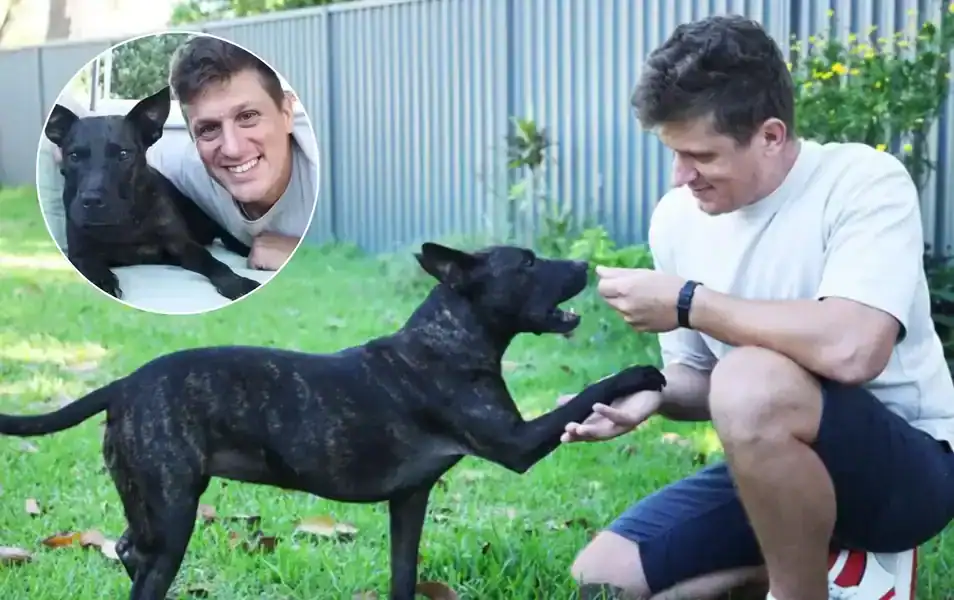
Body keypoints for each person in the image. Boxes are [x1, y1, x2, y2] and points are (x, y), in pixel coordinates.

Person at [560, 14, 954, 600]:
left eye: (701, 155)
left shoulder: (862, 182)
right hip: (778, 467)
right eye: (673, 152)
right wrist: (653, 393)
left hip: (906, 470)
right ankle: (838, 572)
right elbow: (702, 380)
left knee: (750, 376)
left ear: (770, 136)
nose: (681, 176)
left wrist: (690, 302)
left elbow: (855, 348)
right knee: (602, 578)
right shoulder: (677, 219)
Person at [149, 33, 319, 272]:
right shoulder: (187, 168)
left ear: (286, 114)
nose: (232, 149)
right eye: (208, 129)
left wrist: (302, 255)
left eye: (248, 116)